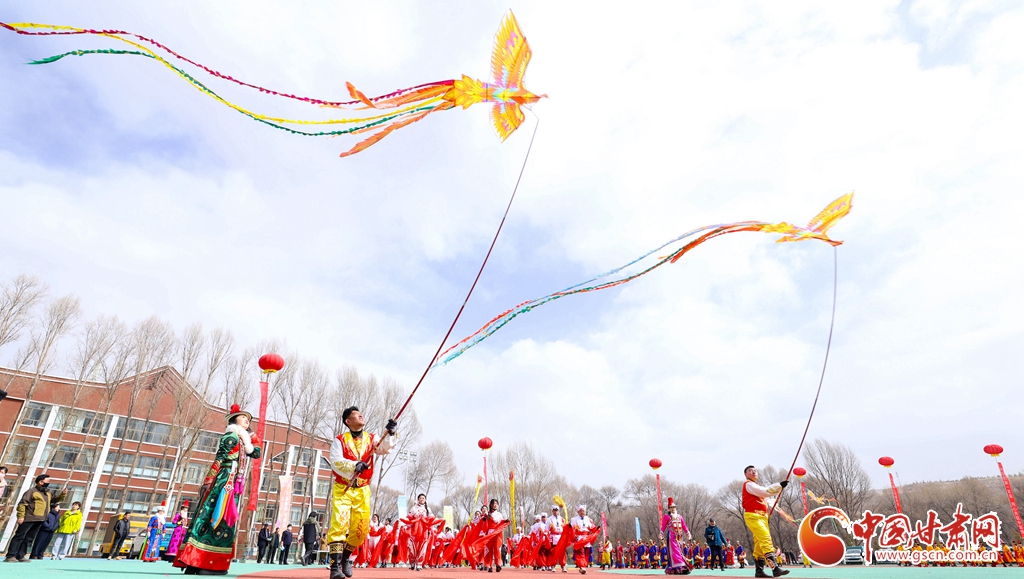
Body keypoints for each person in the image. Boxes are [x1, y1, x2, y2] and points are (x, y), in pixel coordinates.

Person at [172, 404, 261, 575]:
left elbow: (256, 453)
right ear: (234, 420)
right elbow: (219, 458)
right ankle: (205, 563)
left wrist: (251, 435)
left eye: (248, 419)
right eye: (243, 418)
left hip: (232, 482)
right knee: (218, 517)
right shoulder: (232, 436)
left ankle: (199, 562)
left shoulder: (242, 439)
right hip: (225, 481)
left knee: (219, 518)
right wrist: (208, 479)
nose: (247, 421)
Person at [326, 406, 396, 579]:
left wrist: (391, 433)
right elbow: (335, 461)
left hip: (363, 490)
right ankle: (334, 568)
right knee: (339, 525)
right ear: (348, 421)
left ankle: (345, 558)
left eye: (361, 414)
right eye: (356, 415)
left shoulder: (372, 438)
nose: (361, 415)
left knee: (361, 530)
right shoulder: (339, 440)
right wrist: (353, 465)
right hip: (343, 488)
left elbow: (384, 448)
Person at [5, 473, 67, 563]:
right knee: (19, 536)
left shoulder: (48, 492)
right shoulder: (31, 491)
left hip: (40, 519)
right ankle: (10, 555)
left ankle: (20, 555)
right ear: (41, 482)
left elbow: (54, 500)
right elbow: (22, 504)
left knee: (29, 538)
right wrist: (21, 516)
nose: (49, 483)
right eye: (47, 481)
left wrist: (63, 494)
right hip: (29, 518)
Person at [741, 466, 789, 577]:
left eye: (755, 470)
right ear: (746, 474)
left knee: (759, 544)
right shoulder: (749, 484)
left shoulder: (756, 486)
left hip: (762, 517)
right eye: (750, 471)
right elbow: (765, 491)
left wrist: (778, 490)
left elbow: (765, 495)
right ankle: (775, 568)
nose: (753, 472)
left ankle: (759, 571)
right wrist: (779, 486)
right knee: (766, 539)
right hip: (753, 516)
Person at [660, 497, 691, 575]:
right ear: (669, 508)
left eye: (674, 507)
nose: (673, 508)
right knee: (675, 551)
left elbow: (684, 526)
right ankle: (679, 567)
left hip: (679, 537)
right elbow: (663, 526)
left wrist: (688, 533)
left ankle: (680, 567)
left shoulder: (679, 516)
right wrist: (661, 533)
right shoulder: (667, 516)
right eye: (671, 507)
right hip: (671, 536)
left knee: (680, 551)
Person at [569, 505, 598, 574]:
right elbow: (571, 529)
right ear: (578, 512)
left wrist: (597, 528)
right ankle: (582, 567)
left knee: (586, 553)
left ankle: (583, 566)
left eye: (584, 511)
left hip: (587, 538)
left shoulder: (588, 519)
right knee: (580, 552)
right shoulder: (574, 519)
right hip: (578, 538)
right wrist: (572, 538)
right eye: (581, 511)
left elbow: (592, 527)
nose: (582, 512)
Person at [549, 505, 567, 572]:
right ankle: (553, 566)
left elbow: (565, 528)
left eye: (556, 510)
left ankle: (563, 566)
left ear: (558, 511)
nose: (555, 512)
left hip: (561, 537)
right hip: (553, 537)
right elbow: (546, 529)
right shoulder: (549, 519)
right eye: (554, 510)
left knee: (562, 552)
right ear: (552, 511)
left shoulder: (562, 519)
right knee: (553, 552)